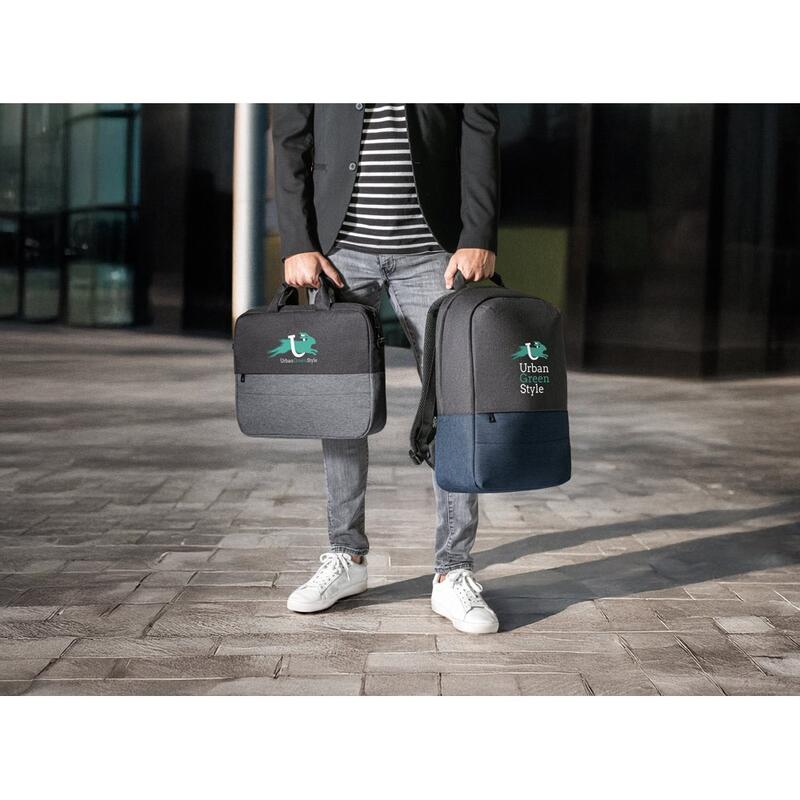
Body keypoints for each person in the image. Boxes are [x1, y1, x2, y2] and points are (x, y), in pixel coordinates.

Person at [271, 103, 500, 634]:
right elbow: (290, 138)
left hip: (435, 251)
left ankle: (453, 569)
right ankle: (346, 556)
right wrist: (298, 241)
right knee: (341, 410)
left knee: (456, 406)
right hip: (338, 253)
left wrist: (479, 232)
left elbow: (480, 128)